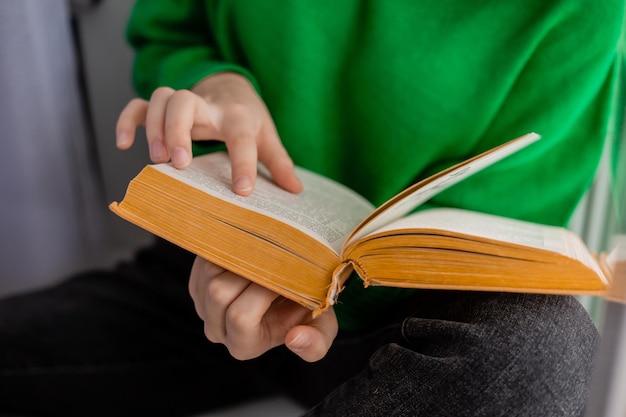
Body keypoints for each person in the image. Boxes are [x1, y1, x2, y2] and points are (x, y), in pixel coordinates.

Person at [1, 1, 624, 416]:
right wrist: (216, 83)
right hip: (213, 271)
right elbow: (172, 26)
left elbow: (492, 225)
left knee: (540, 346)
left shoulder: (584, 15)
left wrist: (320, 288)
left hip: (409, 323)